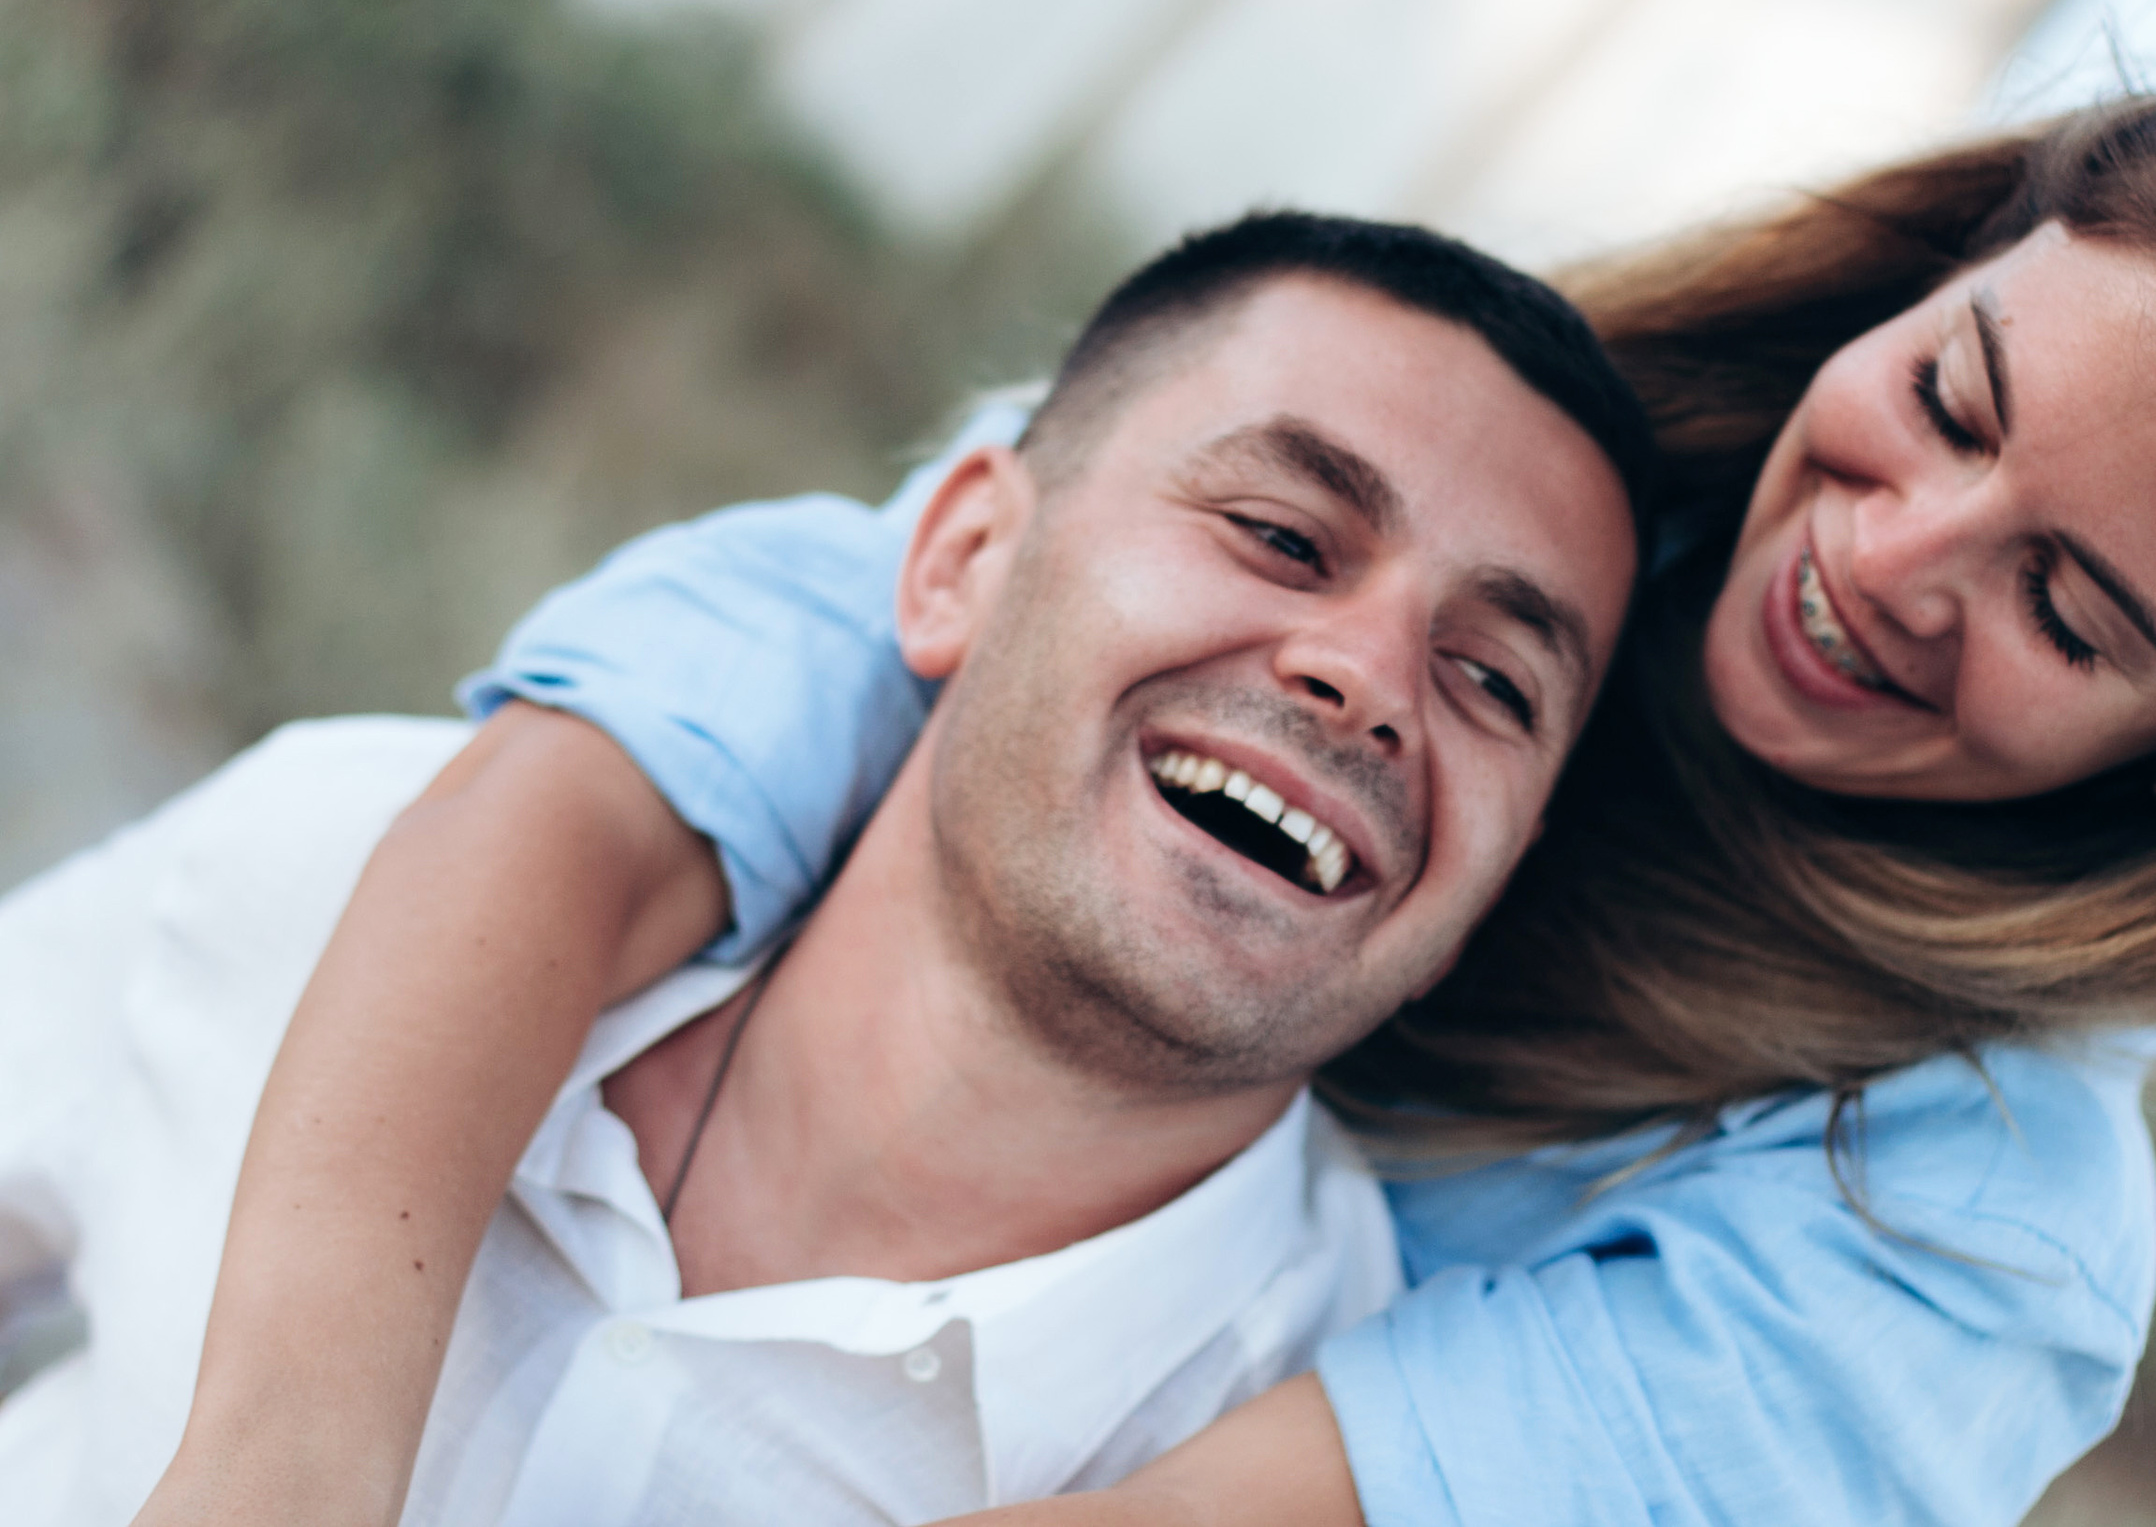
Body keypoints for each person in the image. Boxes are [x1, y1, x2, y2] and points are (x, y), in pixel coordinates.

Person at [118, 0, 2156, 1524]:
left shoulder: (1951, 1237)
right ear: (1921, 284)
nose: (1893, 555)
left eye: (2068, 604)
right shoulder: (1408, 448)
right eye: (1945, 398)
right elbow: (656, 746)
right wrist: (278, 1465)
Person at [0, 215, 1650, 1523]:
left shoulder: (1347, 1445)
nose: (1367, 674)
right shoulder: (349, 850)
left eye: (1495, 682)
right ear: (959, 563)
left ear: (1476, 907)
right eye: (1282, 536)